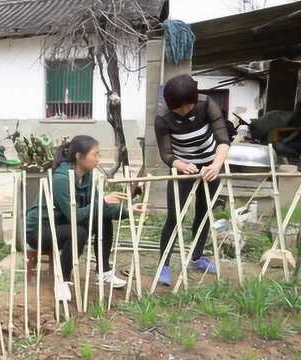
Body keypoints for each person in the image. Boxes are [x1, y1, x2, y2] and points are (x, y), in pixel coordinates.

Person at [25, 136, 143, 289]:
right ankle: (63, 280)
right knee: (78, 232)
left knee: (103, 218)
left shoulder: (86, 176)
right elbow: (75, 216)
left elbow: (98, 206)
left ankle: (103, 271)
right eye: (95, 154)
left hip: (62, 224)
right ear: (79, 157)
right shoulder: (61, 179)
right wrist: (102, 202)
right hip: (40, 230)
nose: (98, 159)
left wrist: (127, 211)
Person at [154, 74, 230, 286]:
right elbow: (166, 154)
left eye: (187, 106)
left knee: (204, 213)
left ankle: (196, 258)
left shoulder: (206, 104)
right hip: (183, 169)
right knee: (174, 217)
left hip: (210, 167)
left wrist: (216, 165)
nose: (183, 111)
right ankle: (164, 266)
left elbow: (223, 139)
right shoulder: (162, 117)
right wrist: (180, 165)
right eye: (178, 108)